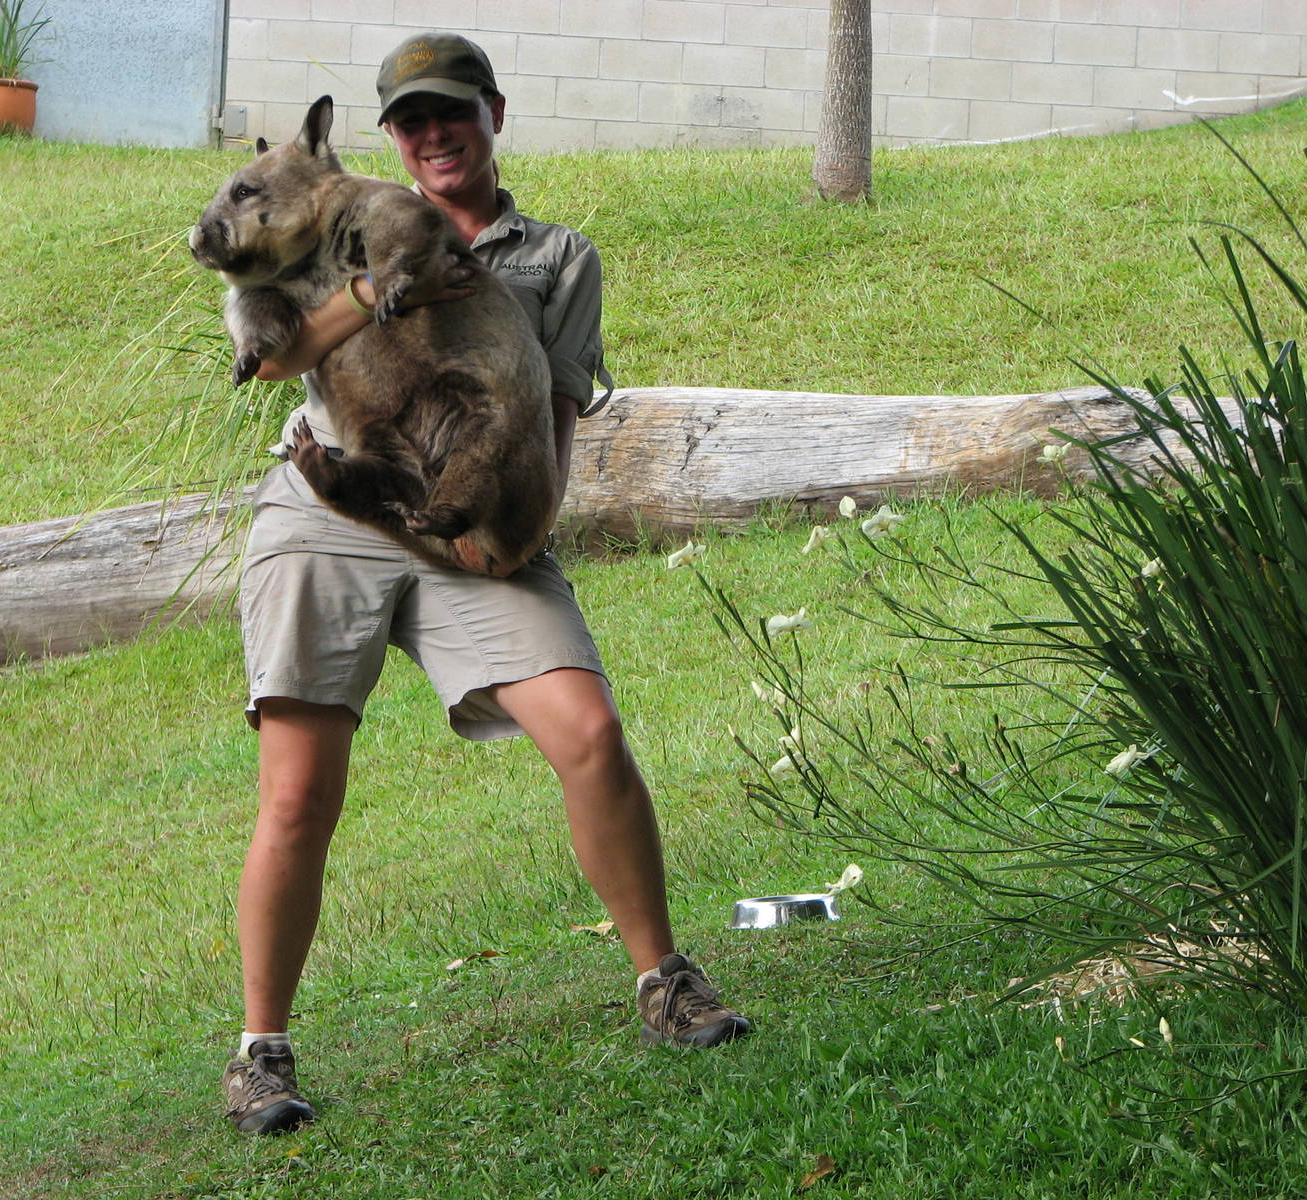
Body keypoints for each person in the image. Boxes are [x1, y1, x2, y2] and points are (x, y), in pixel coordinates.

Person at [221, 32, 750, 1136]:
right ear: (388, 141)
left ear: (494, 113)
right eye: (409, 121)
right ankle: (260, 1053)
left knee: (589, 732)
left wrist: (509, 539)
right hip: (334, 511)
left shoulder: (556, 258)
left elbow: (547, 427)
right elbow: (269, 358)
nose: (432, 134)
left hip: (473, 502)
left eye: (450, 112)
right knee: (299, 791)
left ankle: (663, 979)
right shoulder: (333, 219)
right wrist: (387, 283)